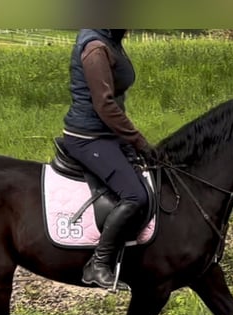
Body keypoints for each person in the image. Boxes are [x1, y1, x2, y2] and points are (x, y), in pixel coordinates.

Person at [62, 28, 154, 291]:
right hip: (88, 137)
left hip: (108, 134)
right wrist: (138, 140)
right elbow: (104, 105)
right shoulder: (95, 48)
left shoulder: (112, 40)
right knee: (135, 196)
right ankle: (98, 264)